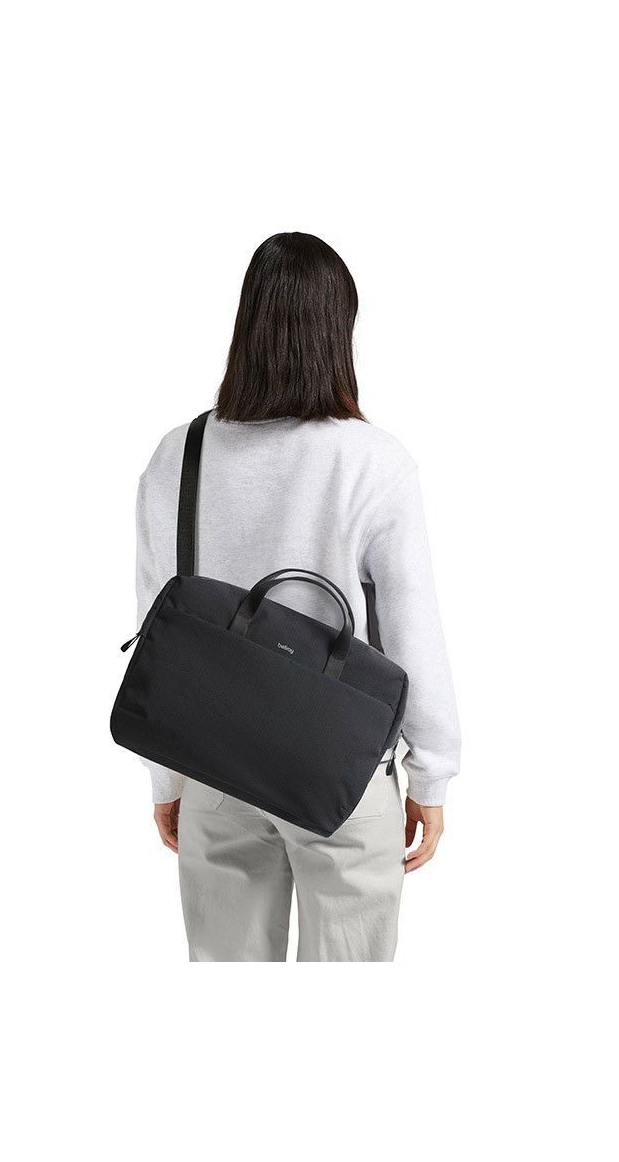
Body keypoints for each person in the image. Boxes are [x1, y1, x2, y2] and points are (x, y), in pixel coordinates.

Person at [133, 232, 460, 962]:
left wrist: (168, 779)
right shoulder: (374, 462)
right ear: (338, 332)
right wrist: (432, 775)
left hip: (215, 763)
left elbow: (157, 620)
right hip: (341, 771)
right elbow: (413, 628)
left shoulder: (179, 454)